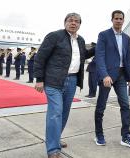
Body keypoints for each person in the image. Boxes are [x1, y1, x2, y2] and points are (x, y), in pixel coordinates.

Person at [33, 13, 95, 158]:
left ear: (80, 24)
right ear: (65, 22)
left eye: (77, 21)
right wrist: (39, 79)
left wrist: (96, 49)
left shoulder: (80, 40)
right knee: (55, 113)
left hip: (72, 81)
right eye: (70, 21)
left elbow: (82, 55)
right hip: (54, 81)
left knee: (64, 113)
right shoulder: (54, 36)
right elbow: (40, 57)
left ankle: (55, 139)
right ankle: (53, 150)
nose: (73, 23)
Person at [94, 10, 130, 148]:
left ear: (123, 21)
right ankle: (99, 134)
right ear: (112, 20)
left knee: (125, 105)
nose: (119, 21)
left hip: (120, 75)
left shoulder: (126, 37)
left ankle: (126, 136)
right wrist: (104, 75)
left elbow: (126, 58)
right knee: (101, 106)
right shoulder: (104, 35)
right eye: (116, 18)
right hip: (107, 76)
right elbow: (100, 56)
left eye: (121, 19)